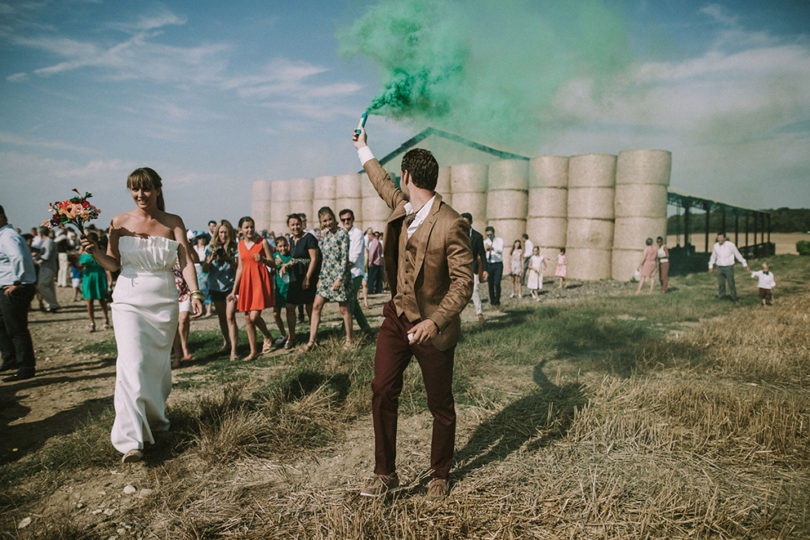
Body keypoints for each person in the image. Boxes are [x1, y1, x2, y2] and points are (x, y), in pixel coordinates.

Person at [353, 126, 473, 502]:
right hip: (396, 316)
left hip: (433, 327)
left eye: (399, 178)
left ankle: (440, 472)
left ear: (407, 176)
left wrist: (434, 321)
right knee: (382, 390)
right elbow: (378, 181)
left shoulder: (452, 222)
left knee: (440, 404)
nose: (395, 184)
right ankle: (385, 472)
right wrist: (362, 147)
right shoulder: (401, 207)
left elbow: (463, 284)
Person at [79, 167, 202, 462]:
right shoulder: (119, 222)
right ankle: (131, 440)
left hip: (163, 300)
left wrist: (195, 292)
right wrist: (95, 252)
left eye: (146, 189)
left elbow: (184, 260)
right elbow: (112, 264)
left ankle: (156, 422)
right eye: (134, 189)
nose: (140, 195)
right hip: (128, 300)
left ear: (158, 189)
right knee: (132, 363)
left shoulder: (173, 222)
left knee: (157, 368)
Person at [305, 207, 353, 351]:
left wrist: (339, 279)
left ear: (334, 218)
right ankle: (312, 341)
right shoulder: (325, 235)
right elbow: (324, 258)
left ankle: (349, 340)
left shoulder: (342, 233)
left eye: (329, 219)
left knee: (344, 309)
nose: (328, 223)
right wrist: (320, 276)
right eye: (324, 221)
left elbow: (344, 258)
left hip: (340, 276)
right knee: (316, 306)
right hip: (326, 276)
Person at [228, 216, 276, 361]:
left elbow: (273, 263)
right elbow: (240, 269)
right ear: (240, 230)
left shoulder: (263, 242)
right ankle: (253, 352)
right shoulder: (240, 244)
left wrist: (263, 260)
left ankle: (267, 335)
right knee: (248, 318)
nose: (250, 230)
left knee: (254, 316)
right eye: (246, 227)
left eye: (252, 226)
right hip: (246, 283)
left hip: (259, 281)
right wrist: (234, 290)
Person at [0, 204, 38, 382]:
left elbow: (19, 258)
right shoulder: (4, 235)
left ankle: (26, 365)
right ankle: (10, 358)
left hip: (13, 287)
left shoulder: (8, 236)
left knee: (16, 327)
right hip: (6, 286)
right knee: (3, 326)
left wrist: (18, 282)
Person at [284, 214, 319, 349]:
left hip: (306, 276)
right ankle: (291, 337)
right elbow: (295, 258)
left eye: (297, 224)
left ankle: (313, 338)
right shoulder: (292, 240)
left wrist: (308, 277)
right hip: (295, 277)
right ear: (289, 226)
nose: (295, 227)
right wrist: (286, 265)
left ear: (302, 224)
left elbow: (314, 259)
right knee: (289, 306)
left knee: (309, 307)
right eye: (292, 224)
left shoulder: (309, 238)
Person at [340, 208, 371, 334]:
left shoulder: (357, 234)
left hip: (355, 273)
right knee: (354, 304)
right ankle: (366, 329)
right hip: (345, 273)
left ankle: (343, 333)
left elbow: (354, 256)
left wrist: (339, 268)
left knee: (349, 304)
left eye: (348, 219)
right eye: (343, 220)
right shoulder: (341, 234)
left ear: (353, 219)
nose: (346, 221)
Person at [79, 232, 110, 332]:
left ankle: (106, 319)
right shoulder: (84, 252)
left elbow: (107, 265)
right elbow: (80, 266)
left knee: (102, 299)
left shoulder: (102, 251)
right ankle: (92, 322)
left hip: (99, 275)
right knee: (89, 300)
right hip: (89, 277)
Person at [460, 213, 486, 324]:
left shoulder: (478, 237)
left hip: (473, 267)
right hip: (459, 267)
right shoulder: (456, 234)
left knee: (475, 290)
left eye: (466, 222)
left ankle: (479, 313)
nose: (464, 224)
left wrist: (485, 269)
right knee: (459, 291)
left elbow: (482, 254)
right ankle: (457, 316)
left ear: (471, 222)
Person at [708, 232, 749, 302]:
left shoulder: (731, 245)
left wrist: (744, 263)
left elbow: (737, 254)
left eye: (721, 238)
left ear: (724, 238)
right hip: (719, 267)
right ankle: (722, 298)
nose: (719, 239)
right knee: (721, 284)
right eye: (718, 238)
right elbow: (713, 256)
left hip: (728, 267)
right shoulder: (716, 246)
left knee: (731, 283)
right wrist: (711, 266)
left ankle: (734, 298)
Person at [271, 235, 291, 346]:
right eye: (280, 246)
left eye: (285, 246)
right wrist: (274, 265)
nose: (283, 248)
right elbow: (271, 269)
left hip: (288, 289)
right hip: (278, 289)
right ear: (277, 247)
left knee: (289, 313)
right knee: (275, 313)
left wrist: (284, 264)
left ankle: (291, 335)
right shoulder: (274, 256)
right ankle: (283, 334)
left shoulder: (290, 257)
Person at [35, 226, 60, 312]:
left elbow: (47, 255)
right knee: (49, 286)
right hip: (48, 266)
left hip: (47, 267)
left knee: (42, 285)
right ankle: (52, 305)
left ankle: (53, 303)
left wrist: (36, 258)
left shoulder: (48, 242)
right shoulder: (47, 241)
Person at [484, 226, 504, 309]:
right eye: (487, 235)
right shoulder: (485, 241)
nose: (489, 236)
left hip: (498, 264)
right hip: (489, 264)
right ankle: (492, 301)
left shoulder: (499, 240)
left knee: (497, 283)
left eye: (490, 235)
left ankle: (497, 301)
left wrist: (492, 248)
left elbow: (500, 250)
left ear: (493, 233)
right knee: (490, 284)